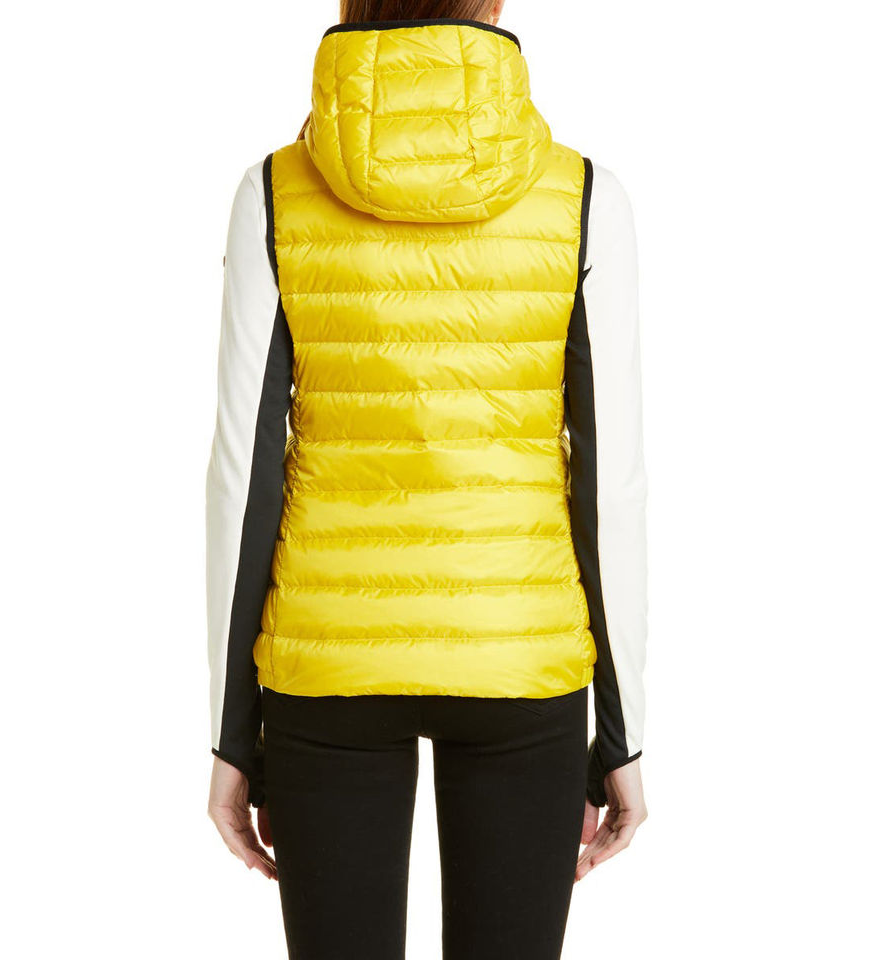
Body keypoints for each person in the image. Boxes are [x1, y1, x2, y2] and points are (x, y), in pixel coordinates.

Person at [205, 2, 648, 957]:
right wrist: (623, 734)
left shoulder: (273, 192)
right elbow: (609, 485)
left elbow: (243, 474)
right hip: (518, 653)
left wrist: (234, 735)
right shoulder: (582, 197)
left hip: (328, 657)